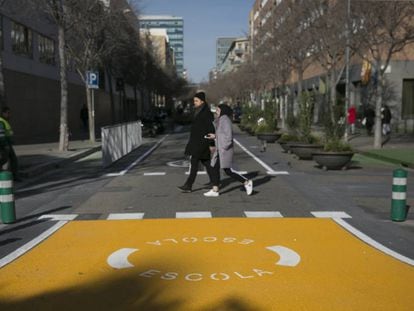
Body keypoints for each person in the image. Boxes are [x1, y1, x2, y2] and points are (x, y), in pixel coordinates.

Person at [203, 103, 253, 197]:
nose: (216, 112)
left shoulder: (225, 120)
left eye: (218, 110)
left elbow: (228, 137)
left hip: (224, 150)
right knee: (214, 167)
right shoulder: (221, 119)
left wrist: (223, 146)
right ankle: (215, 190)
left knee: (227, 170)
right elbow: (222, 135)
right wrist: (215, 136)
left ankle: (246, 182)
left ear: (223, 111)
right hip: (220, 149)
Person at [178, 91, 217, 193]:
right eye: (194, 100)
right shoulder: (198, 111)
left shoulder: (206, 113)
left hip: (201, 143)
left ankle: (188, 185)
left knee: (194, 163)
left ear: (202, 101)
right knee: (206, 162)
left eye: (196, 101)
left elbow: (211, 129)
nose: (194, 102)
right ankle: (214, 181)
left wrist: (211, 143)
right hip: (197, 142)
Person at [0, 106, 20, 181]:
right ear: (3, 113)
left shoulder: (4, 121)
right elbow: (1, 135)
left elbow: (7, 133)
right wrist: (5, 145)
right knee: (4, 159)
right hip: (4, 144)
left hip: (7, 144)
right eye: (8, 113)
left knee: (13, 159)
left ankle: (15, 177)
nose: (9, 114)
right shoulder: (1, 121)